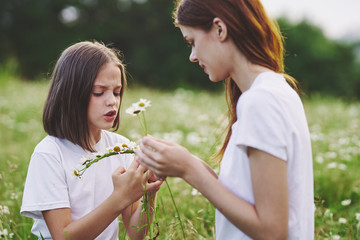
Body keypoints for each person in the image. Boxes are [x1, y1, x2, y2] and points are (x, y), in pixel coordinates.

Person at [135, 0, 314, 239]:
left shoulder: (260, 101)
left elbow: (272, 230)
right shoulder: (275, 90)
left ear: (220, 29)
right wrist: (187, 161)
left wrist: (188, 170)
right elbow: (247, 197)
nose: (192, 56)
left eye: (192, 42)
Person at [21, 41, 162, 240]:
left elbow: (135, 232)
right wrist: (120, 198)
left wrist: (149, 190)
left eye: (116, 92)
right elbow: (63, 236)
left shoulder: (120, 147)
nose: (112, 100)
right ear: (71, 94)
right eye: (99, 92)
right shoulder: (50, 154)